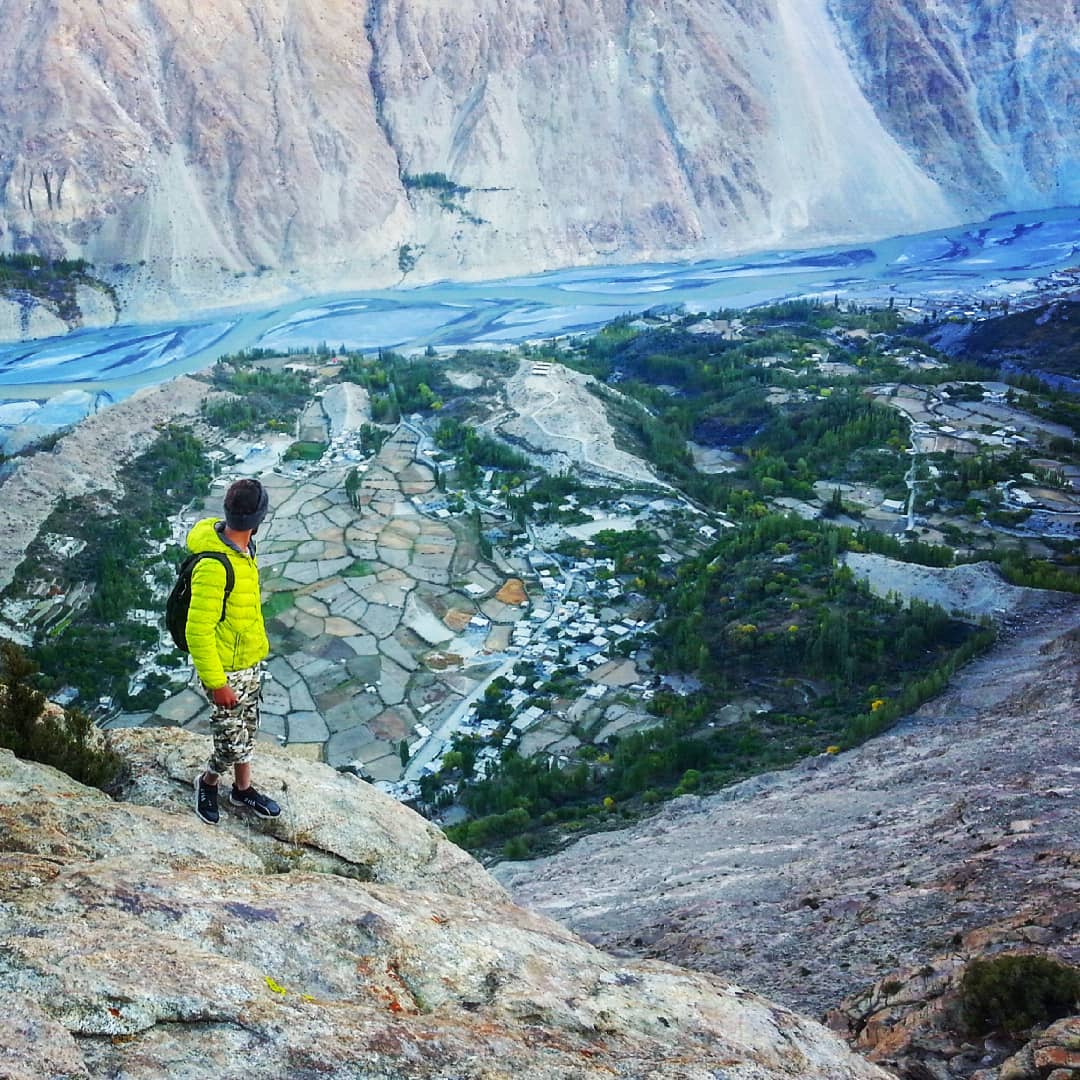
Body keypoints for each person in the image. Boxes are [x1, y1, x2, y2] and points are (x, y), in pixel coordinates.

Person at [187, 477, 281, 825]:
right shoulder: (215, 566)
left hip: (248, 661)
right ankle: (209, 782)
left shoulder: (244, 549)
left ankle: (242, 789)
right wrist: (217, 682)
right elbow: (197, 630)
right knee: (230, 742)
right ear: (259, 518)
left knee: (248, 728)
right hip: (225, 670)